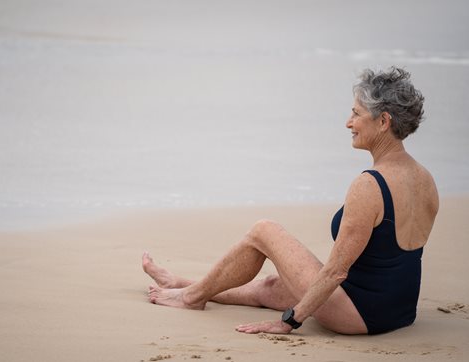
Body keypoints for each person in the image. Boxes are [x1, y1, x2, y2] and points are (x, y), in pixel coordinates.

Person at [142, 66, 439, 335]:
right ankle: (182, 284)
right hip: (400, 311)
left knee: (264, 230)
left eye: (357, 114)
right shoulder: (425, 180)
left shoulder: (369, 185)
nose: (349, 123)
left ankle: (191, 299)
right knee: (271, 287)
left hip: (359, 313)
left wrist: (289, 321)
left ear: (384, 121)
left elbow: (336, 271)